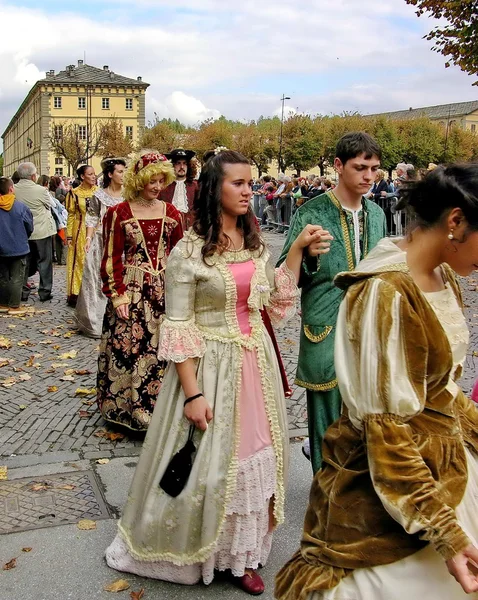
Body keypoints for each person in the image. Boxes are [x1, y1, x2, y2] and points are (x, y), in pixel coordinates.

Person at [104, 148, 332, 595]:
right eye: (239, 183)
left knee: (255, 456)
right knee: (209, 465)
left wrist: (298, 250)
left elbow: (270, 300)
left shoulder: (253, 242)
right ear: (214, 189)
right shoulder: (187, 252)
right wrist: (192, 394)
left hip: (256, 364)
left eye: (251, 182)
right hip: (208, 367)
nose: (249, 191)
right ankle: (203, 549)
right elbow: (178, 326)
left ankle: (241, 554)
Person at [276, 162, 478, 600]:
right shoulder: (385, 292)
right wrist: (446, 534)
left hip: (446, 466)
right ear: (455, 221)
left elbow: (444, 390)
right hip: (389, 489)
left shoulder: (445, 276)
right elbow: (385, 433)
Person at [277, 132, 387, 473]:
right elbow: (285, 274)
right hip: (325, 328)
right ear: (339, 166)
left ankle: (357, 491)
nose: (368, 176)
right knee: (326, 418)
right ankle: (326, 498)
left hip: (368, 329)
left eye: (374, 169)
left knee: (367, 414)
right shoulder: (312, 212)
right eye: (360, 167)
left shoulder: (377, 214)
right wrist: (306, 254)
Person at [97, 152, 182, 431]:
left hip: (165, 290)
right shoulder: (119, 212)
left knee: (164, 349)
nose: (157, 186)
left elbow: (180, 254)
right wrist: (117, 294)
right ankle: (129, 408)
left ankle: (163, 409)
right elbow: (112, 257)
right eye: (152, 181)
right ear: (139, 181)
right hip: (133, 290)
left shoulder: (171, 212)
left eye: (161, 181)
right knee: (130, 347)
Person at [75, 158, 126, 338]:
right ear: (110, 174)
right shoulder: (98, 196)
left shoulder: (129, 195)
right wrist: (88, 238)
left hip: (123, 243)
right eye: (119, 171)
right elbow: (91, 218)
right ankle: (94, 322)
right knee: (95, 279)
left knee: (121, 278)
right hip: (101, 241)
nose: (123, 175)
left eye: (124, 171)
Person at [14, 162, 56, 303]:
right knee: (44, 261)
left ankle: (23, 291)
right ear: (33, 176)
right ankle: (44, 291)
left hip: (22, 232)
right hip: (41, 230)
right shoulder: (41, 190)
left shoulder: (13, 189)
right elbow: (50, 204)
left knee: (24, 263)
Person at [0, 177, 33, 315]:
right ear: (11, 189)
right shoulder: (21, 207)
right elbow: (29, 226)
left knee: (2, 276)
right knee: (17, 277)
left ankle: (2, 303)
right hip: (18, 247)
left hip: (1, 248)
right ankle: (14, 305)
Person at [65, 165, 97, 306]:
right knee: (79, 261)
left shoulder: (99, 192)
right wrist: (69, 235)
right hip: (80, 230)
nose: (93, 176)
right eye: (90, 174)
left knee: (94, 261)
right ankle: (76, 293)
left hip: (96, 230)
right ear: (83, 176)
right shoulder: (74, 193)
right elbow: (71, 215)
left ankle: (95, 292)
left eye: (94, 174)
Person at [159, 148, 199, 230]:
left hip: (191, 229)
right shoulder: (163, 186)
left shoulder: (196, 186)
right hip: (168, 228)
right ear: (172, 166)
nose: (182, 167)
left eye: (184, 163)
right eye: (178, 163)